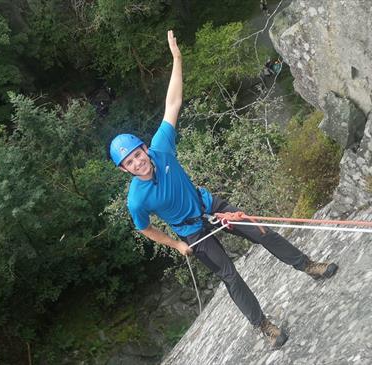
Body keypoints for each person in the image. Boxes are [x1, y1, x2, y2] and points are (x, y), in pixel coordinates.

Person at [109, 30, 339, 348]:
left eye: (137, 155)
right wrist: (176, 245)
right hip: (193, 233)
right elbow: (145, 229)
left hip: (210, 206)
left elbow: (172, 102)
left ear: (145, 149)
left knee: (262, 231)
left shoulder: (162, 148)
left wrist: (177, 58)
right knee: (230, 275)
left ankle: (308, 266)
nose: (138, 163)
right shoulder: (137, 200)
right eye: (130, 163)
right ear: (124, 170)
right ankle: (264, 326)